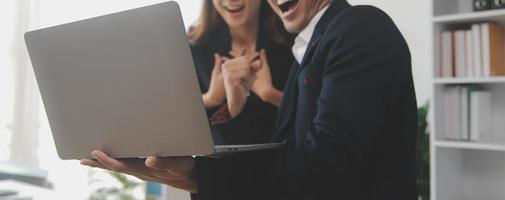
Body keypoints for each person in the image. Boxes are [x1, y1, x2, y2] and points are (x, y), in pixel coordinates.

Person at [81, 0, 419, 199]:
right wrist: (170, 173)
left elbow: (322, 168)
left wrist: (193, 172)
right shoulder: (313, 47)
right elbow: (284, 159)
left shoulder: (359, 27)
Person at [190, 0, 293, 145]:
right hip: (220, 163)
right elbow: (176, 120)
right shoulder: (196, 46)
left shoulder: (293, 38)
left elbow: (316, 113)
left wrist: (269, 94)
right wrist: (210, 98)